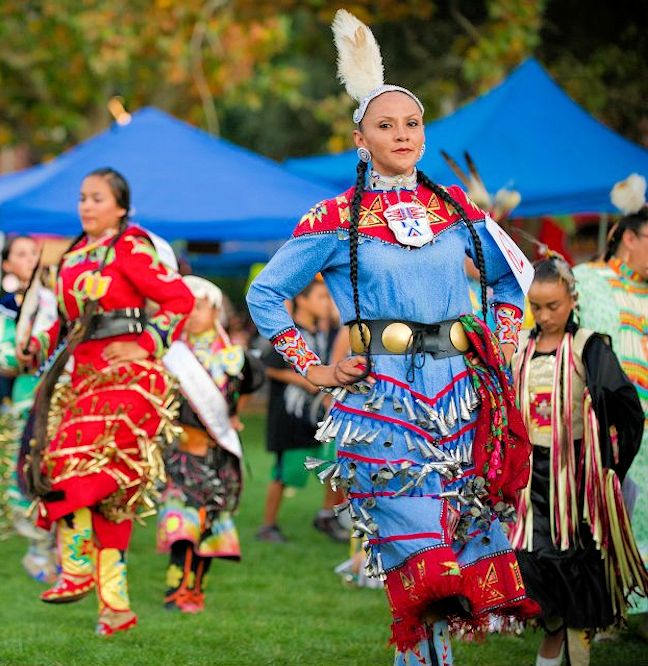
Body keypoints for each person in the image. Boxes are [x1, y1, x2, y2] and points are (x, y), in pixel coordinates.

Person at [246, 11, 537, 662]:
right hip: (387, 399)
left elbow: (510, 282)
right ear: (360, 138)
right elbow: (265, 292)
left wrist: (500, 345)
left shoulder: (455, 208)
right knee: (422, 562)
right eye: (386, 125)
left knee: (459, 549)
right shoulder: (334, 217)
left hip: (463, 396)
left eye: (412, 124)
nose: (402, 134)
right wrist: (313, 368)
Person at [20, 168, 193, 636]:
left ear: (120, 207)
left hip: (129, 380)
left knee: (73, 465)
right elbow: (64, 320)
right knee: (108, 496)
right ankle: (114, 606)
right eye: (82, 198)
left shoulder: (130, 248)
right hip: (85, 379)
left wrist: (147, 341)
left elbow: (179, 299)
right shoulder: (75, 254)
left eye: (97, 198)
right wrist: (38, 344)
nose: (86, 206)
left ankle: (75, 568)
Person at [511, 257, 647, 666]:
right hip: (529, 482)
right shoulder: (522, 350)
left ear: (572, 299)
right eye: (536, 306)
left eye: (554, 305)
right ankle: (555, 635)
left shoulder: (590, 346)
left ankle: (569, 647)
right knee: (533, 562)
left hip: (575, 483)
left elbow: (626, 408)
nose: (545, 315)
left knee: (571, 562)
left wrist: (610, 465)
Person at [156, 276, 263, 613]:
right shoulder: (171, 355)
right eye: (186, 305)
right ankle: (176, 590)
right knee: (181, 526)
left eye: (199, 305)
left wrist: (234, 416)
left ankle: (195, 590)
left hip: (215, 452)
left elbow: (247, 386)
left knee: (208, 525)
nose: (192, 312)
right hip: (180, 452)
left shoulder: (232, 356)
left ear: (216, 309)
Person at [573, 173, 648, 622]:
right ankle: (594, 608)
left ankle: (632, 608)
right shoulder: (587, 280)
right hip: (603, 426)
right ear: (628, 238)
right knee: (601, 518)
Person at [0, 234, 59, 583]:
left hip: (62, 394)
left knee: (62, 468)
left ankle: (64, 542)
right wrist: (23, 354)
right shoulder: (6, 307)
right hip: (28, 395)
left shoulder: (56, 300)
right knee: (29, 468)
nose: (29, 259)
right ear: (7, 264)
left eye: (33, 253)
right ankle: (37, 546)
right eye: (21, 254)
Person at [256, 277, 347, 543]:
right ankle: (268, 525)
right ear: (302, 300)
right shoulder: (287, 334)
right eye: (321, 297)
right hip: (289, 417)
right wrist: (302, 377)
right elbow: (266, 366)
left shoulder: (322, 333)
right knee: (285, 473)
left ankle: (326, 516)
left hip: (316, 417)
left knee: (333, 466)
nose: (327, 303)